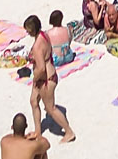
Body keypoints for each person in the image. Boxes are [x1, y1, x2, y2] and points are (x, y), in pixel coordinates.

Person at [24, 15, 75, 144]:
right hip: (47, 76)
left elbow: (41, 68)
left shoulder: (36, 46)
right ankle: (38, 131)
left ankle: (69, 132)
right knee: (33, 101)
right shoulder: (44, 35)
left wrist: (34, 78)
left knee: (50, 108)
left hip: (45, 79)